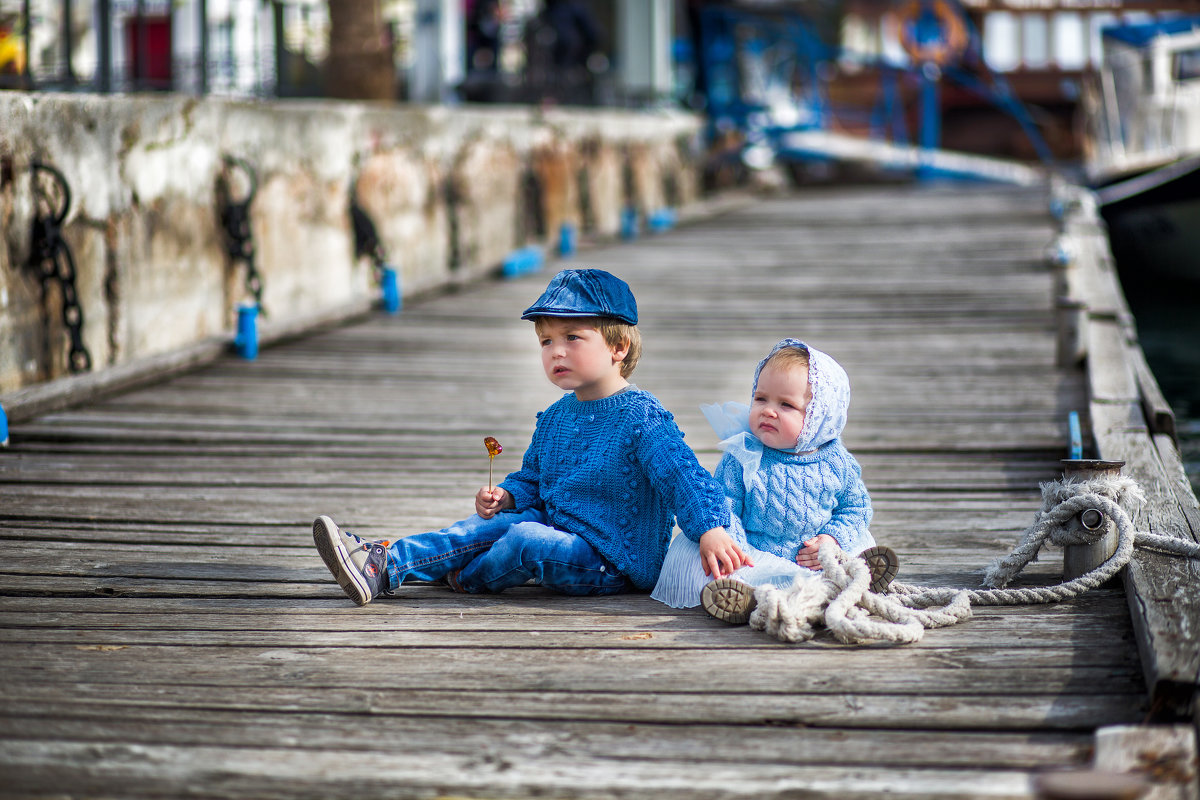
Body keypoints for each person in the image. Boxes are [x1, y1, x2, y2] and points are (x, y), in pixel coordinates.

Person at [312, 268, 748, 605]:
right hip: (555, 527)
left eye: (573, 337)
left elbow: (683, 476)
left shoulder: (642, 417)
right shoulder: (556, 417)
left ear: (619, 348)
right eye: (546, 341)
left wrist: (709, 528)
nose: (556, 351)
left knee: (524, 540)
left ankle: (468, 577)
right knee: (483, 527)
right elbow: (534, 479)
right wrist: (507, 495)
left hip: (612, 560)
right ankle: (382, 565)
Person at [651, 338, 898, 624]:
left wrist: (832, 539)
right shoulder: (744, 454)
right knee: (709, 553)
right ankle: (744, 595)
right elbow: (725, 506)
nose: (769, 410)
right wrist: (737, 549)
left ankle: (857, 577)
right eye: (761, 398)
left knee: (855, 547)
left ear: (820, 417)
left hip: (815, 557)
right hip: (756, 554)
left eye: (786, 405)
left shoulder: (836, 462)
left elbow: (856, 508)